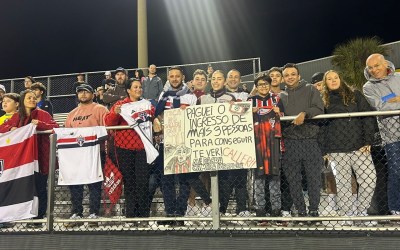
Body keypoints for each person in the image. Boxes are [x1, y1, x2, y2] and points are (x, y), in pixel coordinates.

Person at [321, 70, 377, 226]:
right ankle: (347, 213)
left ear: (341, 78)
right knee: (343, 183)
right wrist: (324, 150)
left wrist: (367, 140)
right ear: (325, 83)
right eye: (329, 79)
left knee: (369, 179)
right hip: (336, 148)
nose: (333, 80)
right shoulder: (324, 101)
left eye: (336, 77)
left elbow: (367, 116)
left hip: (359, 146)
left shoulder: (355, 94)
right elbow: (322, 126)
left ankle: (361, 211)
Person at [0, 90, 59, 228]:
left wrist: (40, 124)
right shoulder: (16, 116)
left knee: (40, 187)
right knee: (24, 187)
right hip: (22, 161)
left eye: (34, 98)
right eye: (29, 98)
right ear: (22, 100)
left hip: (41, 157)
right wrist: (11, 128)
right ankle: (26, 215)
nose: (32, 100)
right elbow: (2, 128)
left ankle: (39, 216)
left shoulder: (43, 114)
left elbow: (55, 127)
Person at [199, 70, 252, 220]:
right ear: (211, 81)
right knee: (217, 179)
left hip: (230, 147)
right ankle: (216, 207)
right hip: (210, 147)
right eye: (213, 79)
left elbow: (242, 115)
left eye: (219, 79)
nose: (216, 81)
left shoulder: (231, 97)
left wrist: (238, 108)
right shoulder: (203, 99)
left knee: (234, 177)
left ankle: (235, 208)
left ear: (224, 82)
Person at [105, 78, 155, 227]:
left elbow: (152, 114)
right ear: (128, 90)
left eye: (140, 87)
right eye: (135, 87)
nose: (139, 89)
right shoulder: (120, 104)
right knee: (130, 183)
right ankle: (131, 216)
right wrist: (115, 113)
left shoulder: (146, 104)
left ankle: (144, 217)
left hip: (142, 148)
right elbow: (109, 123)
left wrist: (152, 111)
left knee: (143, 182)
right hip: (124, 149)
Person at [280, 63, 324, 224]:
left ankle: (314, 211)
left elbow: (319, 108)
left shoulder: (310, 89)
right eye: (287, 75)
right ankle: (301, 211)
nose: (290, 77)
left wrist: (305, 113)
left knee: (314, 179)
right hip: (290, 142)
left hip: (310, 140)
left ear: (298, 76)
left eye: (293, 74)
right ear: (283, 78)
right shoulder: (280, 95)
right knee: (293, 180)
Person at [62, 84, 109, 228]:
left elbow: (107, 131)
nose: (83, 94)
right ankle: (77, 212)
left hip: (95, 152)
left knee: (94, 184)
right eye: (80, 92)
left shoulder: (100, 109)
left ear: (93, 94)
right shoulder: (72, 113)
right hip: (75, 154)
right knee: (75, 184)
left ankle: (94, 213)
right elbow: (66, 134)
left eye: (86, 92)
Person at [363, 53, 400, 218]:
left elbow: (387, 104)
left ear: (385, 64)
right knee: (396, 171)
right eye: (370, 68)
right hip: (391, 136)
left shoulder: (398, 77)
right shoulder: (368, 87)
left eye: (376, 66)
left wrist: (392, 101)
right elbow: (381, 107)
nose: (374, 70)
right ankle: (395, 208)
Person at [153, 66, 191, 225]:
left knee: (183, 180)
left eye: (177, 76)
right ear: (168, 78)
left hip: (184, 142)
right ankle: (170, 213)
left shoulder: (190, 95)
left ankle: (180, 213)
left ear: (182, 77)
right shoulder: (163, 94)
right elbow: (158, 114)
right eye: (172, 76)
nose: (174, 79)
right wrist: (156, 120)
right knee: (166, 180)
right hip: (165, 141)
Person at [248, 73, 284, 226]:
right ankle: (260, 212)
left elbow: (284, 117)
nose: (263, 86)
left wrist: (279, 113)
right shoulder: (251, 101)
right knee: (259, 179)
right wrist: (249, 112)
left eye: (266, 84)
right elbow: (238, 116)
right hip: (257, 145)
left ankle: (276, 211)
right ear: (256, 86)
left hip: (273, 143)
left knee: (275, 178)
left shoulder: (276, 99)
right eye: (260, 84)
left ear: (270, 85)